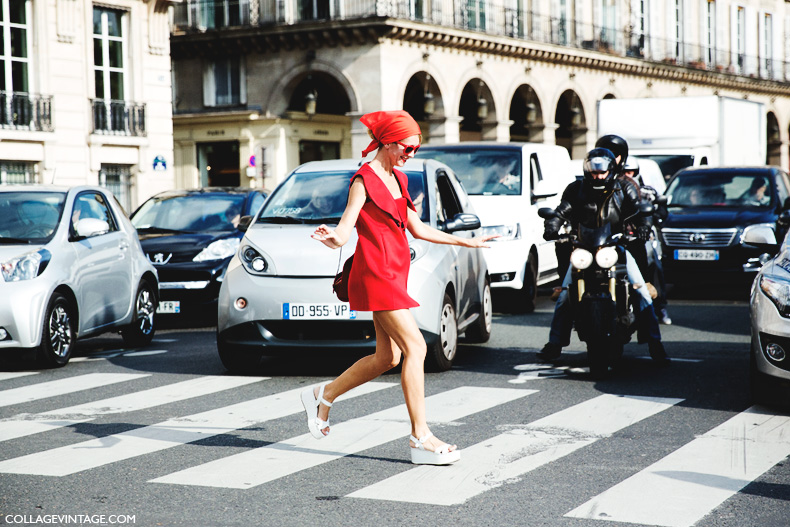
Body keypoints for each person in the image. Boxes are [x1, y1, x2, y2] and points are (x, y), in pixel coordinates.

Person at [304, 110, 498, 465]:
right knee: (417, 348)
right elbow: (346, 229)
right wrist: (332, 238)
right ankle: (419, 436)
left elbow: (419, 229)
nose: (411, 154)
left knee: (388, 357)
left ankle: (324, 394)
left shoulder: (401, 179)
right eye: (406, 148)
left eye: (415, 148)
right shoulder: (362, 180)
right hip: (376, 272)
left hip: (396, 271)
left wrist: (470, 243)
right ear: (388, 142)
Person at [537, 148, 670, 366]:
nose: (597, 176)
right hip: (584, 249)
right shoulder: (576, 189)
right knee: (563, 297)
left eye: (601, 172)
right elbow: (562, 211)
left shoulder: (624, 187)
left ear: (610, 170)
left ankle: (655, 344)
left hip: (615, 247)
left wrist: (644, 225)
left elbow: (638, 209)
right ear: (586, 170)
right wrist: (553, 224)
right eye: (593, 172)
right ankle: (554, 344)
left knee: (643, 292)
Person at [622, 158, 672, 325]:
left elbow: (658, 212)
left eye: (630, 173)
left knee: (653, 267)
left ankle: (659, 307)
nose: (626, 176)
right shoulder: (612, 190)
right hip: (616, 238)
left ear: (636, 173)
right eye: (623, 172)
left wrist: (646, 225)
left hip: (641, 237)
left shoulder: (647, 192)